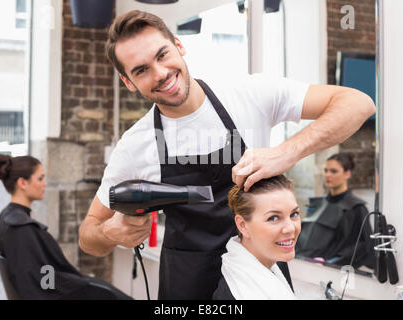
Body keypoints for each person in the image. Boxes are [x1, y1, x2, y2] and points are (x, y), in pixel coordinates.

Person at [78, 10, 376, 299]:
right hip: (187, 287)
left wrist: (288, 152)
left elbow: (358, 104)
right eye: (141, 70)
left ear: (179, 46)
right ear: (129, 82)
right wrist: (110, 233)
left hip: (256, 283)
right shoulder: (135, 145)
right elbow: (88, 236)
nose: (160, 73)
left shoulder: (248, 94)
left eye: (162, 55)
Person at [0, 154, 131, 300]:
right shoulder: (20, 228)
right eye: (40, 178)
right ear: (23, 183)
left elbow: (43, 276)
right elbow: (41, 286)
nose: (45, 184)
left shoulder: (7, 219)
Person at [213, 176, 300, 300]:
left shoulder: (276, 265)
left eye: (294, 214)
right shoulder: (231, 295)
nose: (290, 228)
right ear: (243, 225)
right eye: (273, 218)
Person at [296, 152, 375, 269]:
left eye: (333, 171)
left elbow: (361, 247)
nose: (327, 175)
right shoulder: (318, 204)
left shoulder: (356, 208)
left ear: (347, 174)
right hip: (302, 264)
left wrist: (330, 262)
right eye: (326, 170)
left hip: (331, 271)